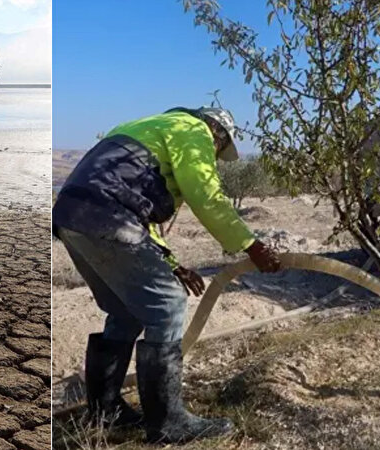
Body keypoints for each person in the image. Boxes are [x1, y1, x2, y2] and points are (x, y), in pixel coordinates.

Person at [53, 106, 282, 443]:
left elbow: (138, 215)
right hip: (108, 217)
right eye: (219, 149)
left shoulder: (150, 127)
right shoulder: (193, 130)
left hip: (73, 217)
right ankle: (169, 425)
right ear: (217, 133)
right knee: (169, 305)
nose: (214, 156)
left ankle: (106, 414)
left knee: (126, 311)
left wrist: (172, 264)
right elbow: (206, 194)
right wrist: (251, 245)